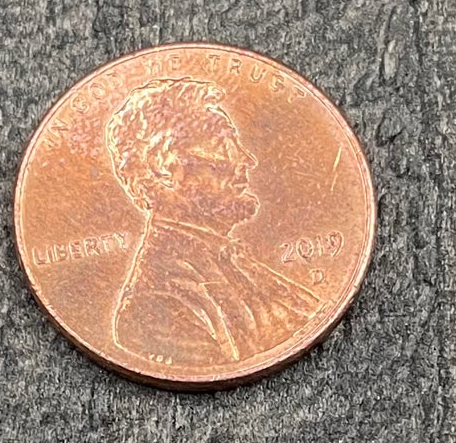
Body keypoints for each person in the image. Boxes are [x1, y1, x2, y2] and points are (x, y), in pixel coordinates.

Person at [105, 74, 323, 367]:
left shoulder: (231, 263)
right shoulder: (154, 306)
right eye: (223, 144)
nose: (245, 160)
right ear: (164, 167)